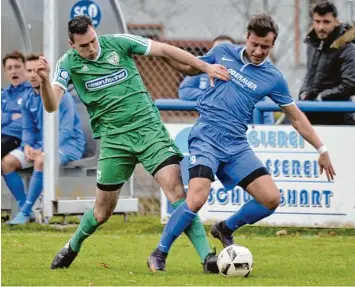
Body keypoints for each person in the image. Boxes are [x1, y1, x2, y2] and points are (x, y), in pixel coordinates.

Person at [35, 15, 229, 272]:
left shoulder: (118, 43)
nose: (91, 48)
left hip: (149, 131)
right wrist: (45, 83)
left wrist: (205, 67)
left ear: (95, 33)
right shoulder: (67, 64)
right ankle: (73, 245)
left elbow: (164, 49)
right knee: (102, 212)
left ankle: (208, 259)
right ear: (72, 44)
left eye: (93, 41)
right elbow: (51, 106)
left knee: (177, 193)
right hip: (114, 140)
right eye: (84, 46)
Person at [148, 14, 336, 271]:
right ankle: (159, 253)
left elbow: (296, 118)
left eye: (265, 47)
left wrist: (321, 148)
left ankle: (225, 228)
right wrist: (161, 53)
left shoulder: (273, 77)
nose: (259, 51)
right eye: (255, 44)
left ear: (273, 44)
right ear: (247, 38)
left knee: (271, 199)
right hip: (206, 137)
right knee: (196, 198)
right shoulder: (223, 51)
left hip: (236, 145)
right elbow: (191, 67)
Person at [1, 53, 85, 224]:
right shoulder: (27, 99)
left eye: (38, 70)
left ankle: (24, 212)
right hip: (40, 145)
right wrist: (27, 146)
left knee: (41, 160)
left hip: (69, 145)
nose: (33, 75)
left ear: (46, 72)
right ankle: (26, 207)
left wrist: (44, 149)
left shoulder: (63, 97)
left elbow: (66, 131)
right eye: (29, 70)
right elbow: (28, 128)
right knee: (6, 163)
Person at [179, 35, 274, 124]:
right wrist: (214, 96)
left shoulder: (247, 73)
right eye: (217, 50)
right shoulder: (203, 69)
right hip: (211, 127)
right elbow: (184, 91)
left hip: (244, 130)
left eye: (226, 50)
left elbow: (264, 107)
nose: (221, 54)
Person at [299, 1, 355, 125]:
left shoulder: (347, 47)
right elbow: (310, 74)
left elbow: (351, 84)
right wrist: (303, 93)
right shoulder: (312, 44)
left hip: (338, 120)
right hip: (312, 117)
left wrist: (322, 97)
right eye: (317, 21)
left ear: (336, 22)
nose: (321, 27)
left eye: (326, 22)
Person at [1, 51, 32, 159]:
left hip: (17, 138)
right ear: (5, 72)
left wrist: (4, 119)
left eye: (17, 67)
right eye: (9, 68)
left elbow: (26, 121)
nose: (13, 71)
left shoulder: (32, 92)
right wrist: (10, 117)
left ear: (25, 68)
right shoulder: (3, 95)